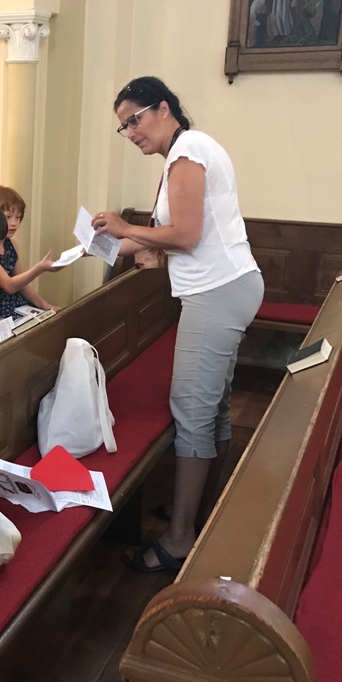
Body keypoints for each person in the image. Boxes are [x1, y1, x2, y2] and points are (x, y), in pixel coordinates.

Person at [94, 76, 263, 573]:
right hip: (224, 288)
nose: (131, 132)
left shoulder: (188, 151)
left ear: (163, 109)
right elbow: (158, 239)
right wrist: (92, 248)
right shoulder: (185, 153)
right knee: (211, 409)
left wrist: (123, 227)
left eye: (135, 120)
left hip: (217, 292)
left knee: (191, 410)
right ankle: (201, 511)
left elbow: (185, 236)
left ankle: (179, 539)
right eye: (123, 127)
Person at [0, 185, 57, 319]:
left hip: (15, 304)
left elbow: (22, 285)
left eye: (18, 217)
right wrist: (40, 268)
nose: (14, 223)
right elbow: (9, 285)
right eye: (8, 217)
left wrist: (46, 306)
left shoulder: (12, 245)